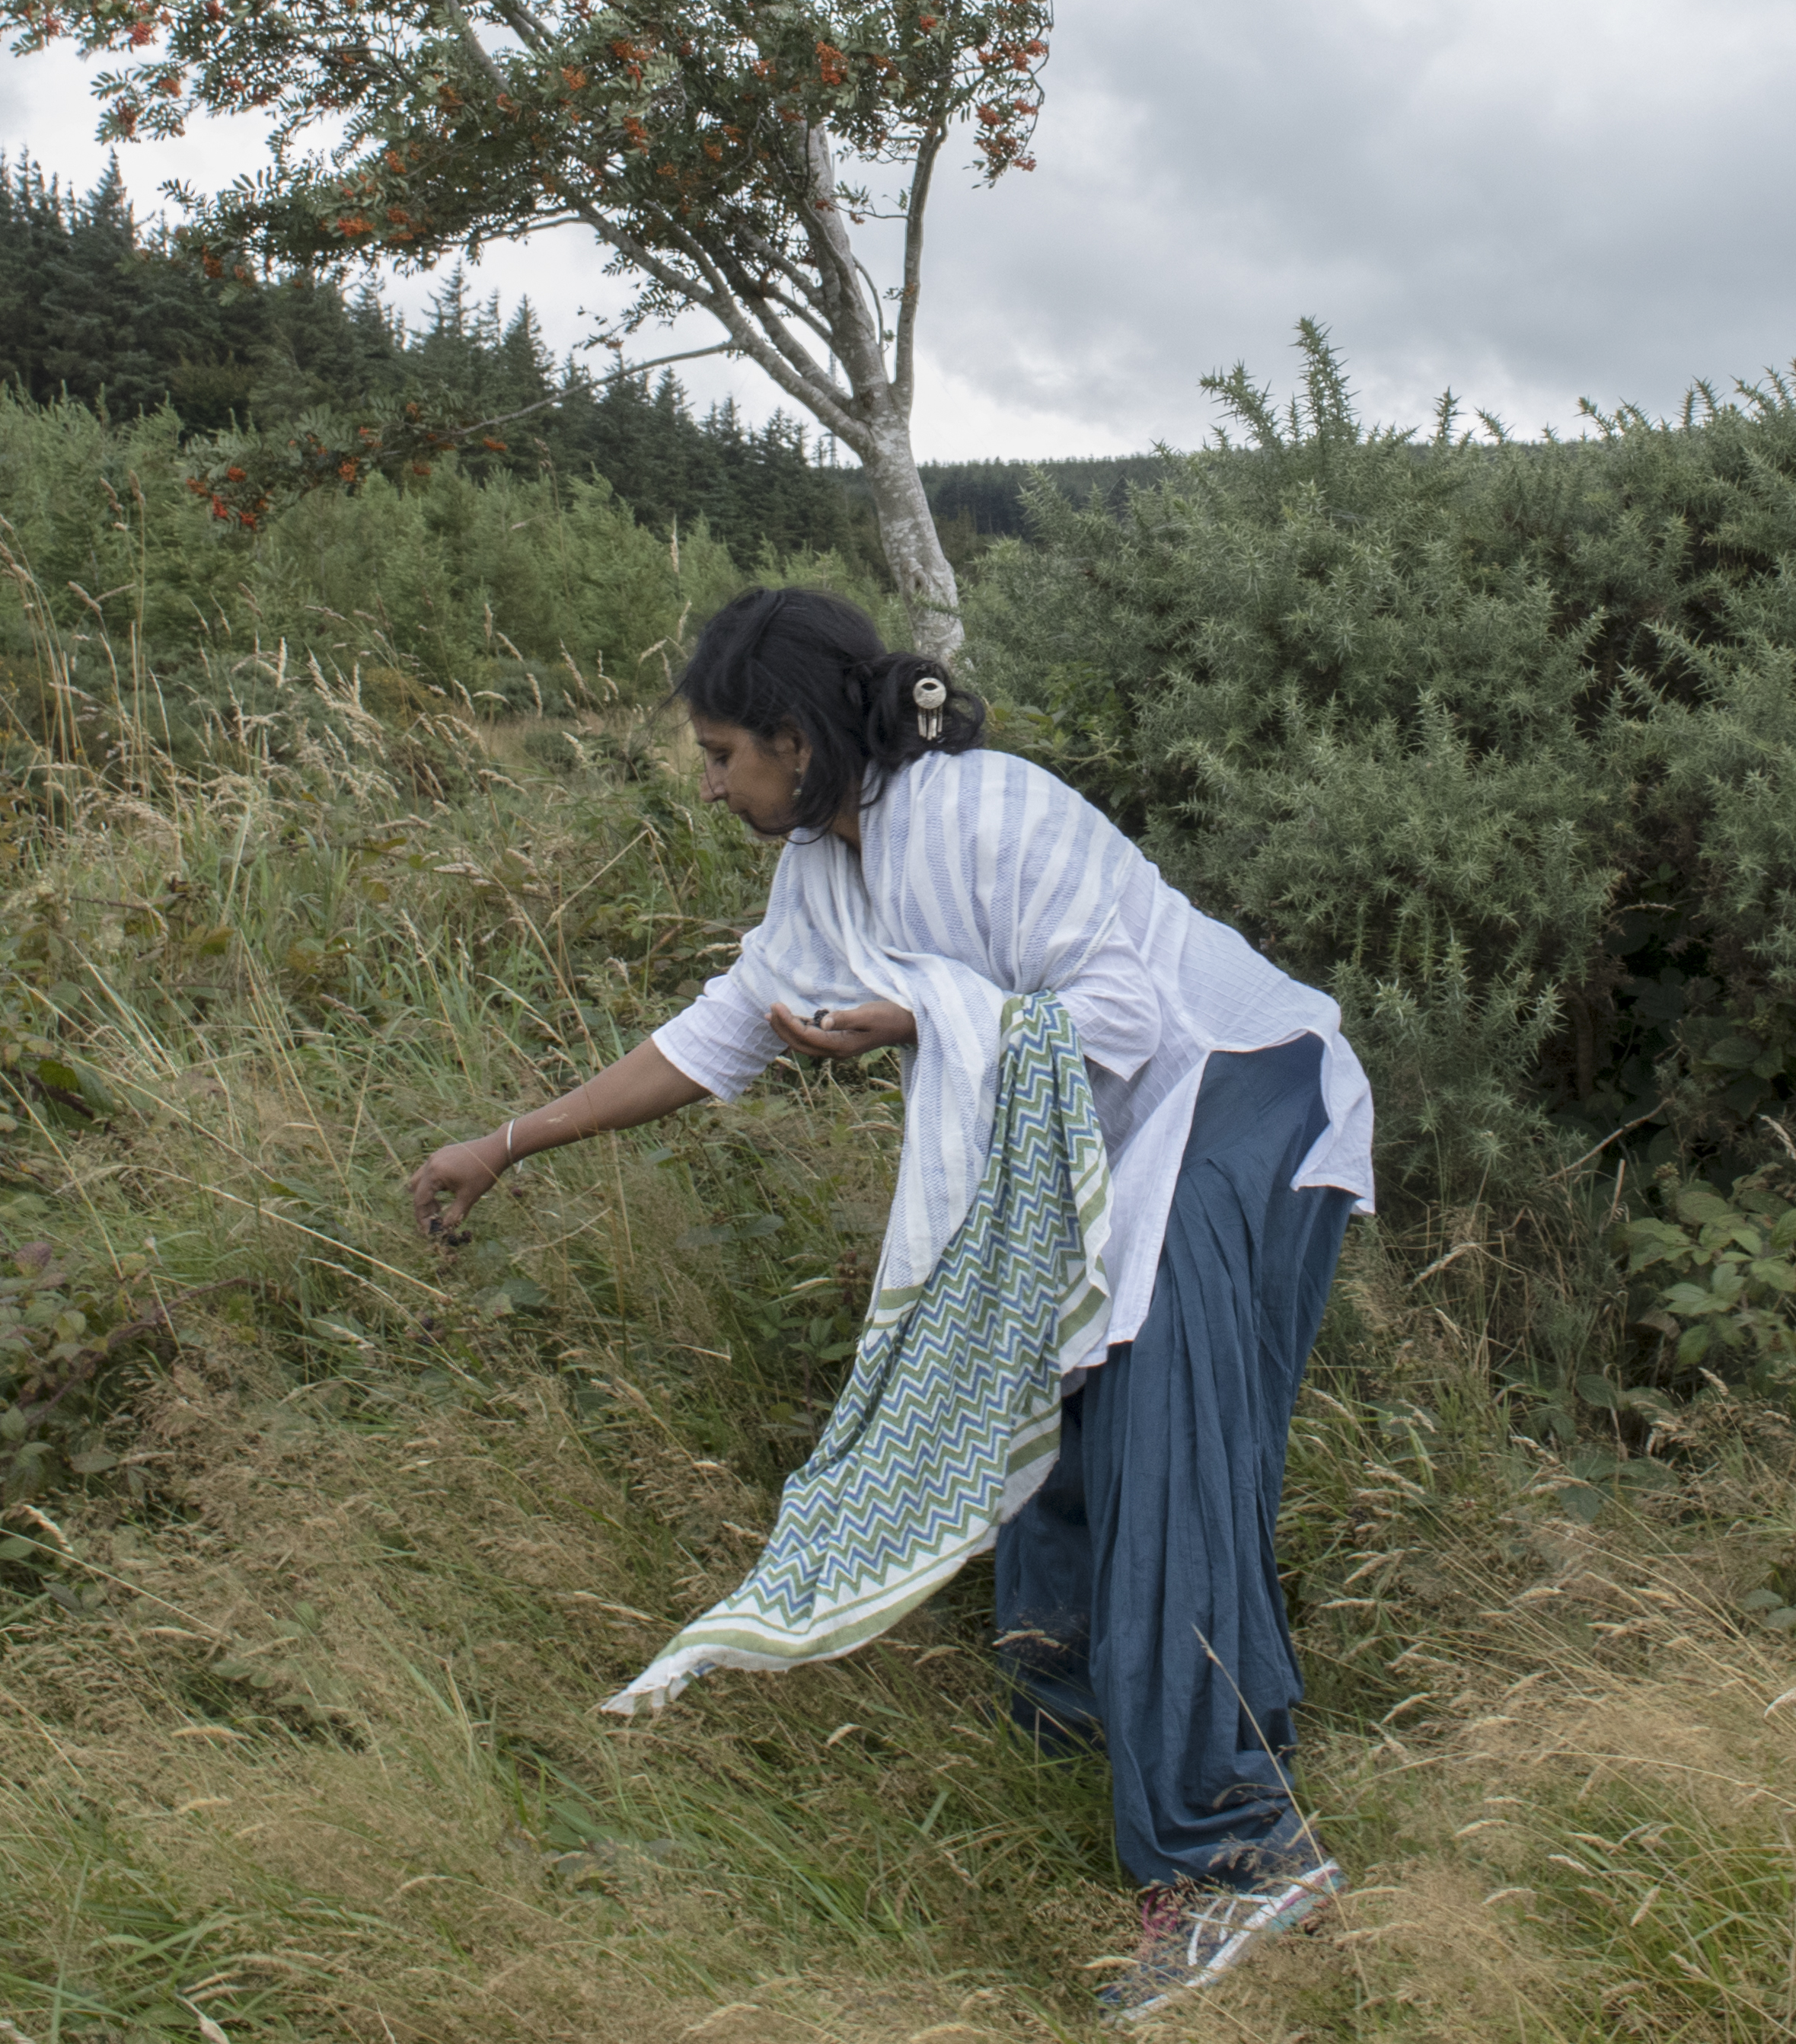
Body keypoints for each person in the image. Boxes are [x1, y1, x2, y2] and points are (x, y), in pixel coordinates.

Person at [406, 586, 1377, 2023]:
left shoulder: (990, 812)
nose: (712, 778)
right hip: (1117, 1146)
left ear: (797, 741)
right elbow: (721, 1029)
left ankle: (1238, 1853)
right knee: (1056, 1427)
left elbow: (1124, 1016)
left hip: (1242, 1097)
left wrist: (925, 1019)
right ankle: (1095, 1739)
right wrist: (507, 1143)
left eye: (726, 751)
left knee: (1168, 1460)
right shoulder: (826, 868)